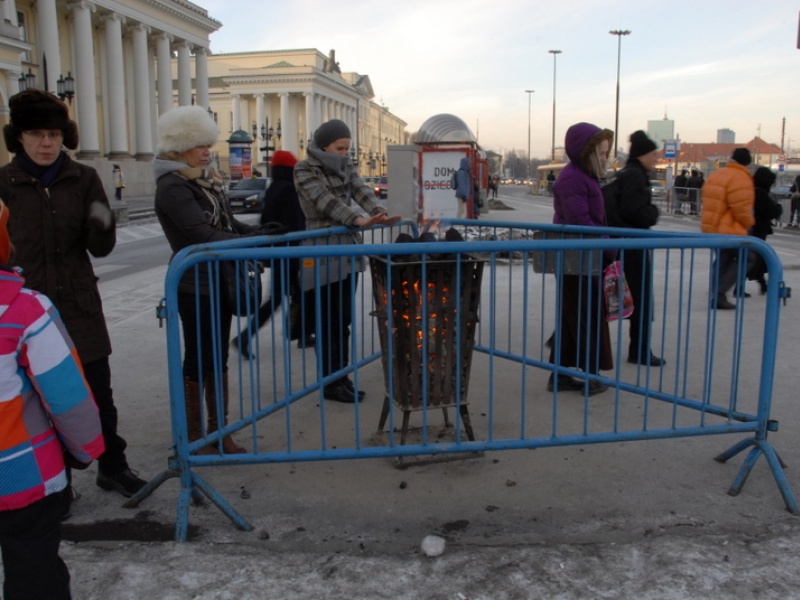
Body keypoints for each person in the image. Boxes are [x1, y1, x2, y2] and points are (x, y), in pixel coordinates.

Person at [0, 89, 146, 501]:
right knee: (40, 401)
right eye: (36, 134)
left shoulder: (83, 178)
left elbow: (100, 247)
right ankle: (57, 482)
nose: (47, 143)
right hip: (25, 314)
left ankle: (112, 467)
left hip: (79, 306)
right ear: (19, 137)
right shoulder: (3, 183)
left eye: (54, 133)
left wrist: (101, 222)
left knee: (99, 394)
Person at [153, 105, 284, 453]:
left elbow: (225, 225)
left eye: (208, 143)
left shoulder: (204, 180)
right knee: (200, 357)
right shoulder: (172, 186)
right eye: (199, 144)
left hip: (219, 279)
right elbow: (201, 235)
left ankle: (219, 432)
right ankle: (196, 436)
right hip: (195, 284)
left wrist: (259, 232)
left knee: (218, 358)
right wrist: (251, 243)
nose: (207, 150)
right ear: (180, 147)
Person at [0, 199, 105, 600]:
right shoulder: (25, 310)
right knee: (34, 571)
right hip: (20, 475)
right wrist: (86, 448)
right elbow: (66, 397)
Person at [294, 119, 399, 403]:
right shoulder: (304, 169)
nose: (345, 153)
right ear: (324, 146)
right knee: (327, 320)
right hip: (321, 251)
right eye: (340, 148)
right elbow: (324, 201)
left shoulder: (346, 166)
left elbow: (361, 189)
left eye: (347, 148)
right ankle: (329, 382)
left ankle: (341, 377)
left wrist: (379, 213)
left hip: (347, 251)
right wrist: (357, 219)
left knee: (342, 320)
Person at [548, 122, 615, 395]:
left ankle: (561, 375)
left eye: (606, 153)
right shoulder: (574, 179)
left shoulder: (580, 176)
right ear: (585, 152)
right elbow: (582, 224)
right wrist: (610, 247)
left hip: (579, 258)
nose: (604, 158)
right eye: (600, 153)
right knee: (587, 317)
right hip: (579, 259)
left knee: (572, 317)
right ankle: (591, 376)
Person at [230, 150, 315, 358]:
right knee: (281, 298)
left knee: (298, 295)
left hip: (280, 252)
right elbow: (296, 222)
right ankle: (244, 337)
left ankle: (303, 335)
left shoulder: (274, 188)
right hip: (291, 253)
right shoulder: (289, 190)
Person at [608, 131, 664, 366]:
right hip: (632, 247)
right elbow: (635, 211)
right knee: (639, 299)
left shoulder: (631, 173)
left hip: (625, 244)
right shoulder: (635, 176)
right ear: (642, 155)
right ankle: (639, 351)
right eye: (653, 154)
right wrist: (653, 213)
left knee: (609, 295)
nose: (656, 159)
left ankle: (639, 349)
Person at [700, 148, 756, 310]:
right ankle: (719, 292)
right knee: (748, 258)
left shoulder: (718, 174)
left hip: (714, 227)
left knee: (723, 259)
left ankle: (716, 293)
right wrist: (749, 223)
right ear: (748, 162)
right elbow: (741, 207)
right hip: (731, 229)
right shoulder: (741, 177)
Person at [746, 167, 783, 294]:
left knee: (755, 258)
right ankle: (758, 283)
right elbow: (770, 211)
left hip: (751, 228)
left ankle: (761, 283)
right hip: (758, 229)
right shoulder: (761, 193)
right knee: (755, 258)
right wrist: (778, 208)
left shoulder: (751, 190)